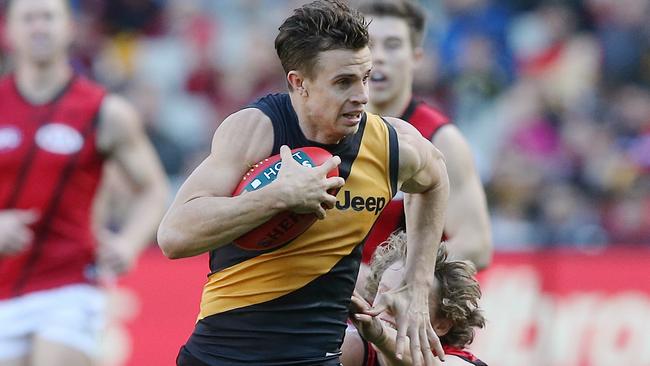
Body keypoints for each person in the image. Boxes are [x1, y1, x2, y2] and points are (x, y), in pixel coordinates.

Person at [157, 1, 450, 365]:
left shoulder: (391, 145)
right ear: (300, 83)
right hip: (219, 354)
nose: (362, 95)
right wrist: (278, 197)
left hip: (316, 356)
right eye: (343, 82)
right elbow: (174, 236)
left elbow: (435, 180)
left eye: (365, 77)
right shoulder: (255, 131)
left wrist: (417, 284)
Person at [0, 0, 169, 365]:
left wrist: (128, 244)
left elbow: (153, 188)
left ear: (70, 28)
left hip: (69, 284)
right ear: (8, 31)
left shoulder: (104, 111)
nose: (39, 27)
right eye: (28, 18)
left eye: (49, 17)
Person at [353, 0, 492, 297]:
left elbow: (476, 244)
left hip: (397, 316)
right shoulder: (326, 129)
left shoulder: (441, 139)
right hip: (330, 311)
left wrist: (393, 277)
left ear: (416, 57)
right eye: (367, 45)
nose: (378, 57)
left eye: (392, 45)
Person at [341, 231, 487, 366]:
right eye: (383, 292)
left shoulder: (458, 362)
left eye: (407, 299)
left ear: (442, 325)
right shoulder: (354, 348)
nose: (389, 304)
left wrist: (381, 336)